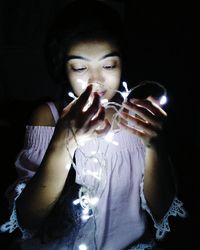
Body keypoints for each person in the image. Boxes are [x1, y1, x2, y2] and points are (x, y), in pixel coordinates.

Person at [0, 0, 186, 249]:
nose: (96, 80)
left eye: (109, 65)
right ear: (63, 70)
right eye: (79, 67)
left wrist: (154, 147)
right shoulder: (48, 117)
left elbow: (162, 212)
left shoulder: (139, 120)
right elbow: (28, 219)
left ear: (123, 63)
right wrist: (62, 143)